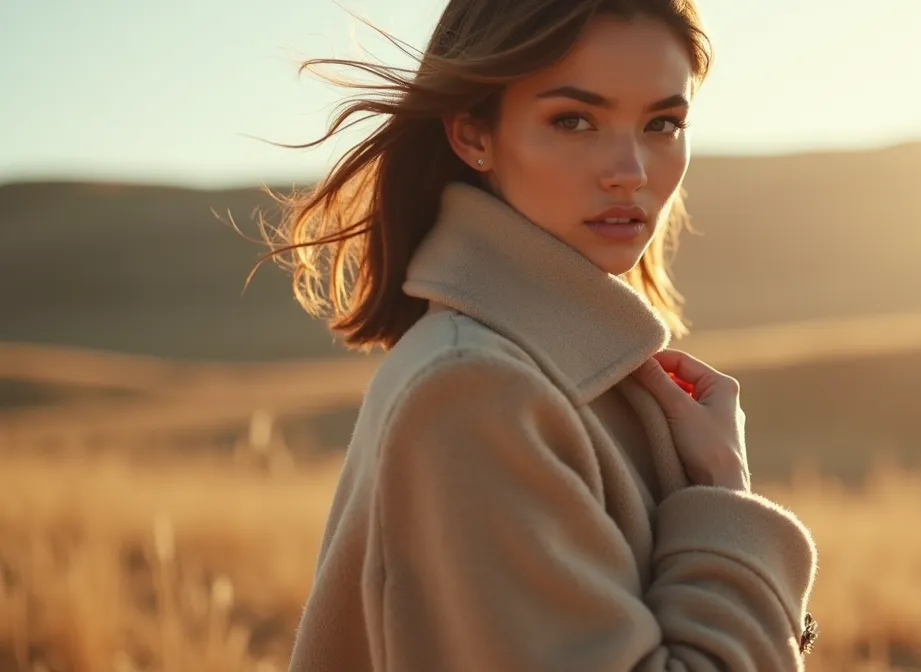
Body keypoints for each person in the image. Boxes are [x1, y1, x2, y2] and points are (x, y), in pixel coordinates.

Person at [267, 0, 818, 669]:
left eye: (662, 123)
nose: (631, 170)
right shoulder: (473, 391)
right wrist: (726, 501)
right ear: (473, 135)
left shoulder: (532, 371)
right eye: (575, 120)